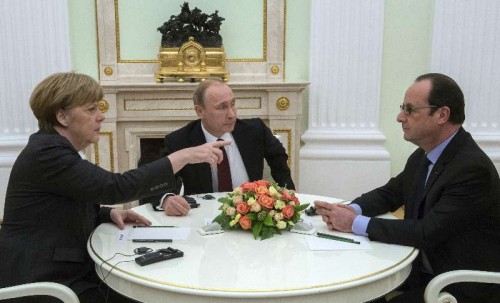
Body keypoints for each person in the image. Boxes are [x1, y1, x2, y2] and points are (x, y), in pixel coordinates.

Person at [0, 72, 229, 303]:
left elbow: (60, 206)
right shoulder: (48, 154)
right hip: (46, 284)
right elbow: (115, 187)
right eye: (91, 110)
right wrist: (184, 156)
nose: (101, 116)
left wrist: (108, 212)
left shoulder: (53, 149)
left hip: (67, 271)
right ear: (62, 117)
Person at [314, 73, 500, 303]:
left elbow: (426, 232)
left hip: (457, 287)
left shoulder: (471, 169)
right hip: (423, 271)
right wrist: (350, 210)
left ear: (442, 114)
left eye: (410, 110)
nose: (400, 117)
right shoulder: (424, 155)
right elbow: (390, 194)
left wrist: (353, 223)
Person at [140, 79, 295, 216]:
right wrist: (166, 199)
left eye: (233, 104)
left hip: (251, 215)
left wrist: (287, 192)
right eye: (222, 107)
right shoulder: (180, 140)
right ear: (200, 111)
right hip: (202, 217)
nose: (232, 114)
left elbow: (279, 159)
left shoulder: (255, 130)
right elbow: (150, 176)